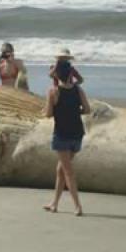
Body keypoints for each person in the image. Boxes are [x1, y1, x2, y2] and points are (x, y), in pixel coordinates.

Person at [42, 60, 91, 217]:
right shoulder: (78, 90)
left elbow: (48, 114)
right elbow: (87, 109)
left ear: (56, 75)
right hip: (77, 134)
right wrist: (74, 112)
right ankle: (54, 204)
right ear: (71, 74)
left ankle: (78, 206)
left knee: (68, 172)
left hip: (62, 134)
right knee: (61, 169)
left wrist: (54, 110)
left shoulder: (53, 92)